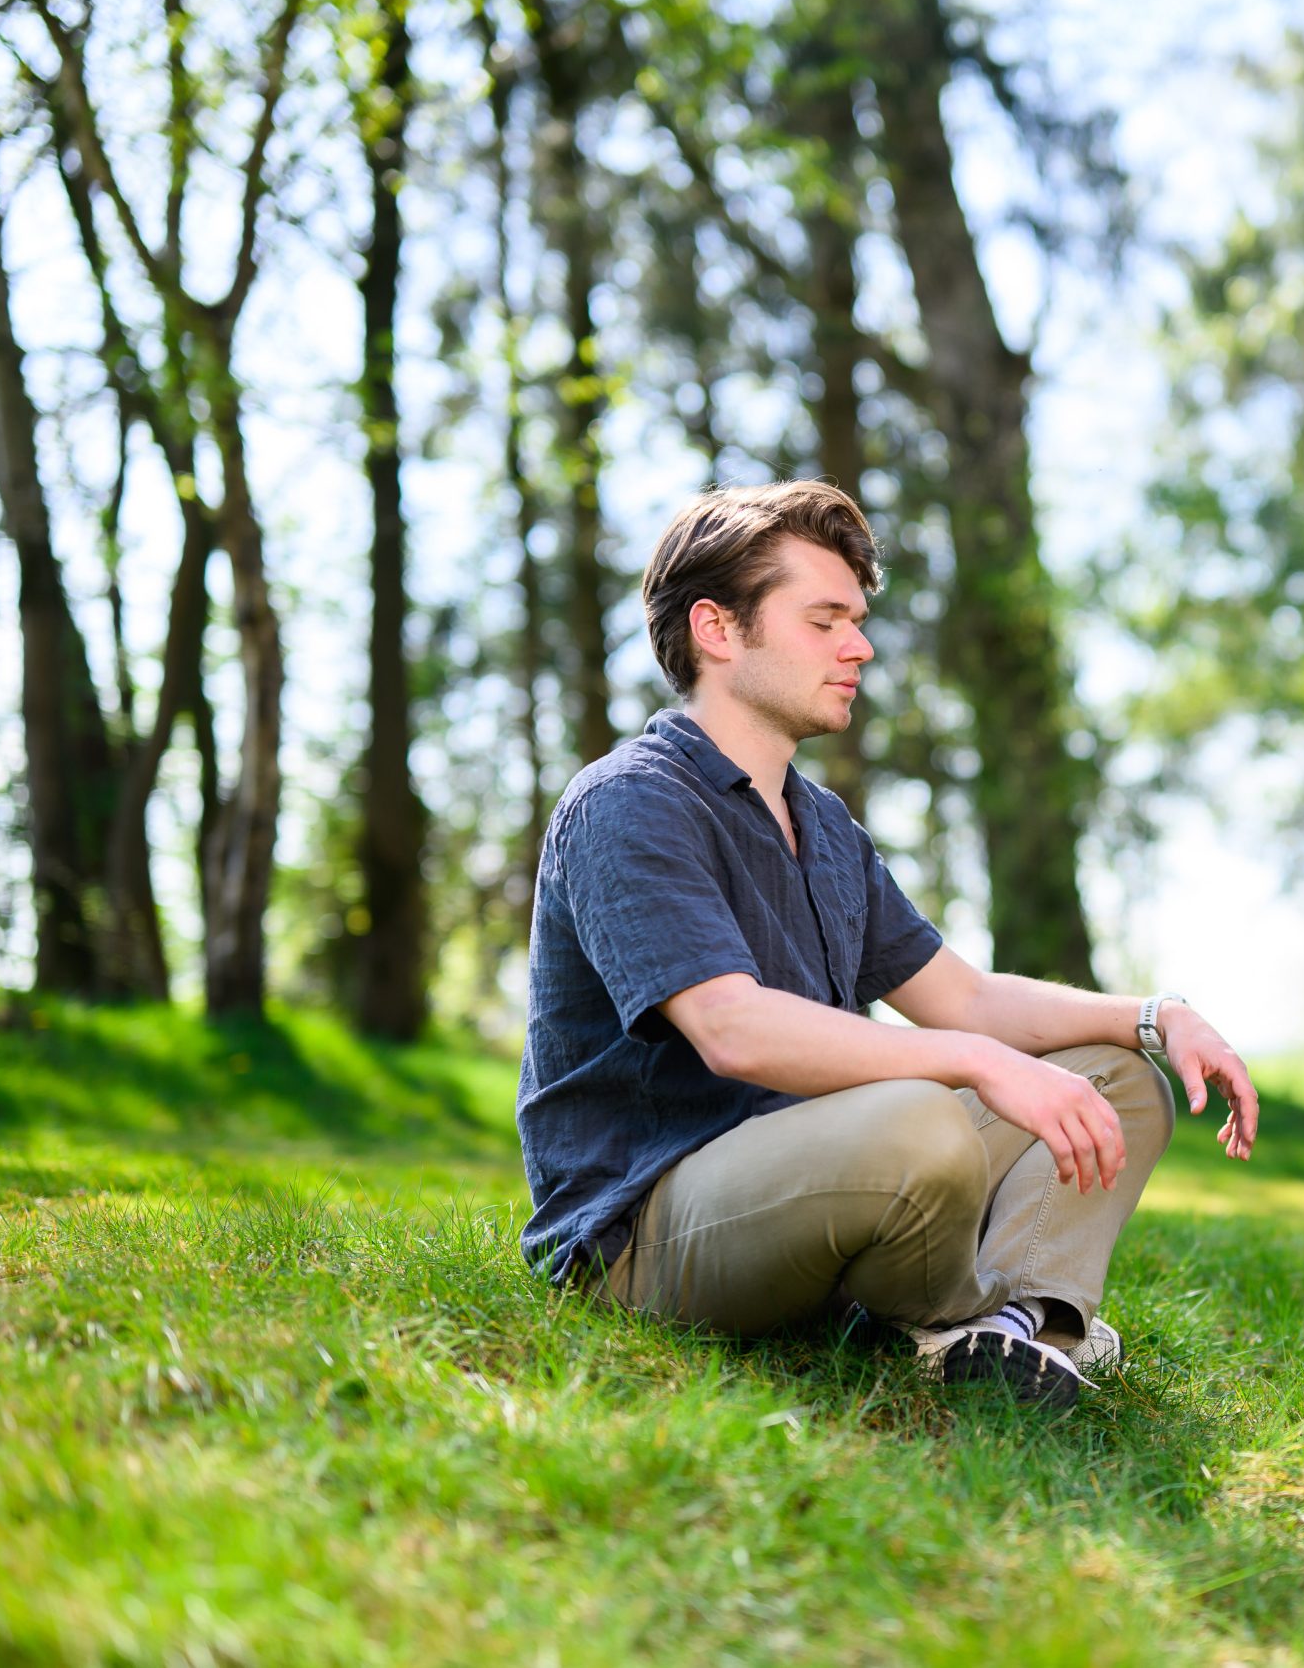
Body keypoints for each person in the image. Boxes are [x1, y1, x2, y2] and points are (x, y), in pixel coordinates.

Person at [515, 479, 1261, 1409]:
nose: (858, 646)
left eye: (857, 621)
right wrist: (974, 1065)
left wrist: (1155, 1015)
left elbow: (967, 998)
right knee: (921, 1121)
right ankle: (954, 1317)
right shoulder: (628, 801)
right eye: (824, 619)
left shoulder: (823, 825)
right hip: (645, 1232)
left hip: (826, 1174)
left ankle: (1019, 1330)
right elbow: (731, 1027)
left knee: (1115, 1072)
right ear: (717, 629)